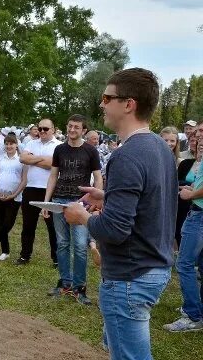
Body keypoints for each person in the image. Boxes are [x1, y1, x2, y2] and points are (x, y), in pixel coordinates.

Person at [64, 68, 177, 358]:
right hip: (152, 267)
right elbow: (152, 200)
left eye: (107, 97)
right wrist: (109, 196)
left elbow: (115, 230)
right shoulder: (159, 148)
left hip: (130, 276)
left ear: (129, 104)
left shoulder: (126, 155)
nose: (102, 104)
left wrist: (83, 217)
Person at [42, 114, 102, 305]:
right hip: (59, 199)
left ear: (83, 130)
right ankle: (65, 283)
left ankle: (80, 288)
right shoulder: (59, 149)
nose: (72, 130)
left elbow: (98, 177)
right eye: (70, 126)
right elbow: (53, 176)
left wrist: (96, 199)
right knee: (62, 244)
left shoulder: (91, 151)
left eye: (76, 127)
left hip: (80, 204)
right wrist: (46, 202)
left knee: (80, 246)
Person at [164, 119, 203, 332]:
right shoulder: (197, 158)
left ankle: (192, 315)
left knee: (185, 265)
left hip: (198, 214)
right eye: (196, 132)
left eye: (201, 131)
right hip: (195, 212)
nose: (197, 135)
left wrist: (192, 193)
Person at [17, 119, 61, 266]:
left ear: (53, 130)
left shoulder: (59, 146)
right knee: (28, 225)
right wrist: (44, 159)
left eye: (45, 129)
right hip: (31, 188)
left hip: (50, 189)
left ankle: (56, 259)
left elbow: (53, 165)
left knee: (52, 226)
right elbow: (23, 158)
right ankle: (25, 255)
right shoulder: (31, 143)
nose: (42, 131)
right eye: (40, 129)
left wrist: (33, 159)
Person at [0, 134, 27, 261]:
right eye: (7, 144)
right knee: (0, 223)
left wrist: (13, 195)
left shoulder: (22, 159)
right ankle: (5, 251)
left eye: (11, 143)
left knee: (8, 223)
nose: (9, 146)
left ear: (16, 145)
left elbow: (24, 180)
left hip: (14, 197)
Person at [176, 136, 201, 249]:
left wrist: (192, 192)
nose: (201, 149)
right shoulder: (186, 163)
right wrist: (185, 186)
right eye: (199, 147)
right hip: (182, 205)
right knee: (180, 233)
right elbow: (174, 181)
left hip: (197, 207)